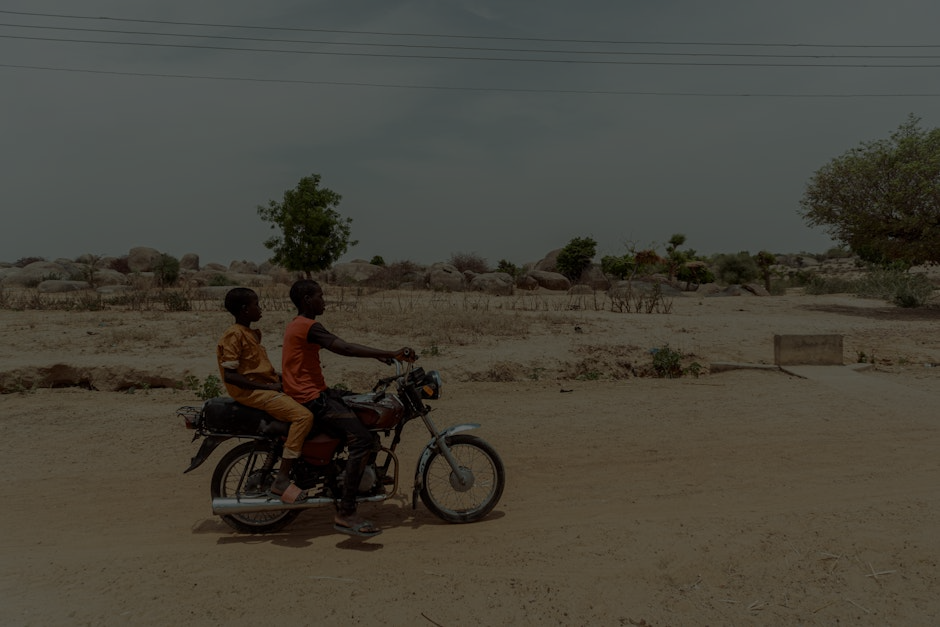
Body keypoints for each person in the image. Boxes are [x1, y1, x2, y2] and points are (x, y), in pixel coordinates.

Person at [281, 279, 414, 538]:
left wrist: (378, 355)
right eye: (320, 296)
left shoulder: (299, 325)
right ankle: (346, 512)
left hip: (317, 392)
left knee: (365, 405)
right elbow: (344, 348)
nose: (324, 301)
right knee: (361, 440)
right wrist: (391, 352)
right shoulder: (307, 326)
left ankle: (360, 474)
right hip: (311, 398)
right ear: (307, 300)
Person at [217, 287, 313, 504]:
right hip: (252, 393)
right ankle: (282, 479)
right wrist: (269, 388)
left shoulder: (249, 333)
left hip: (262, 387)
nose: (260, 309)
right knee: (303, 417)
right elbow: (230, 375)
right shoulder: (234, 334)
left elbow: (257, 369)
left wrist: (286, 379)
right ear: (245, 309)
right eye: (256, 305)